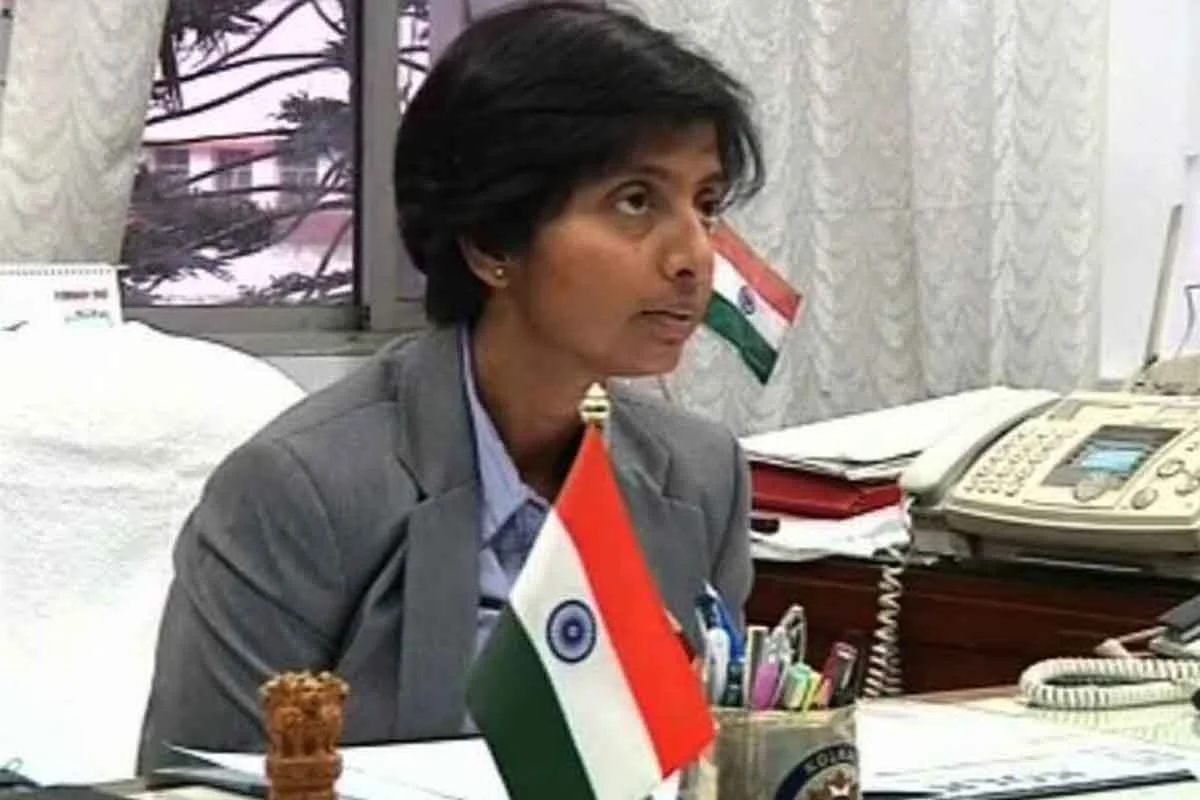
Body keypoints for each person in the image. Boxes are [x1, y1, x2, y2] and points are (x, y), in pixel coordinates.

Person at [137, 0, 764, 771]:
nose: (694, 257)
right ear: (492, 239)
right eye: (636, 201)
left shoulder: (700, 473)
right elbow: (195, 780)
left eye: (706, 205)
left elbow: (701, 758)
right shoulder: (301, 490)